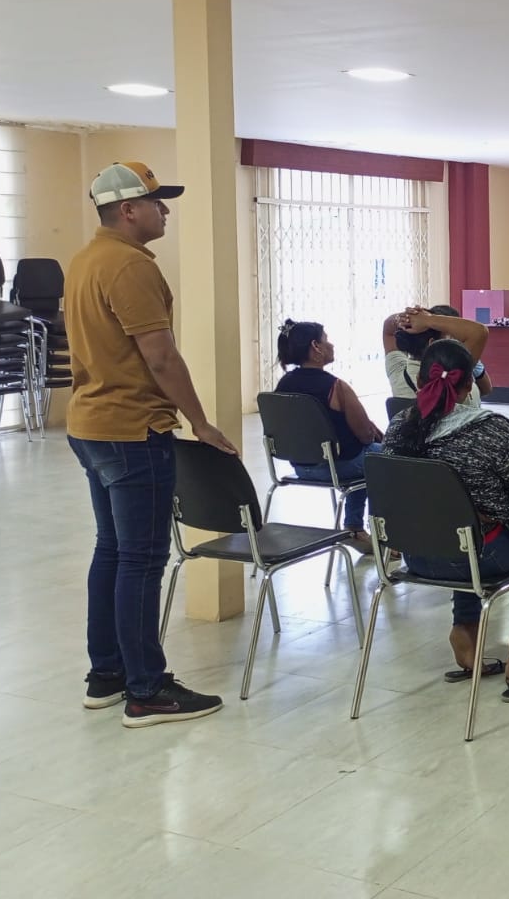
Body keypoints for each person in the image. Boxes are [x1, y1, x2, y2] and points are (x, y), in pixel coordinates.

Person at [65, 161, 235, 727]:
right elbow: (160, 356)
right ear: (127, 209)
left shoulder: (86, 259)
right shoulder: (130, 266)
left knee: (112, 550)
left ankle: (107, 675)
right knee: (141, 560)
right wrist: (200, 422)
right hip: (133, 430)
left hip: (91, 426)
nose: (164, 211)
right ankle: (147, 691)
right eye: (157, 202)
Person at [382, 338, 509, 701]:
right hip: (484, 553)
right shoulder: (489, 428)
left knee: (457, 529)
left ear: (420, 381)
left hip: (418, 553)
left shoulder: (399, 428)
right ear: (469, 383)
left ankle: (465, 629)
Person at [274, 319, 384, 550]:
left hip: (300, 466)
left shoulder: (282, 386)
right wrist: (371, 430)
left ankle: (355, 528)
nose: (331, 345)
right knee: (385, 458)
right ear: (316, 347)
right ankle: (382, 532)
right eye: (326, 339)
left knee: (368, 460)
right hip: (338, 466)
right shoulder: (337, 387)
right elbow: (365, 436)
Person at [384, 304, 492, 400]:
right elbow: (479, 331)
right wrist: (427, 319)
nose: (457, 343)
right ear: (433, 344)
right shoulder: (453, 373)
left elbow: (388, 329)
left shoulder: (398, 370)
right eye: (451, 338)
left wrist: (408, 317)